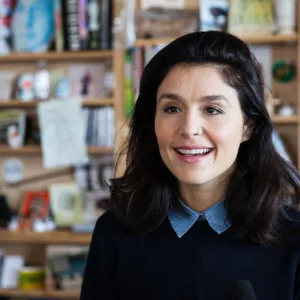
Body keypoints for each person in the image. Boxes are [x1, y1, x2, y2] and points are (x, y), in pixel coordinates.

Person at [80, 31, 300, 300]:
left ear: (248, 126)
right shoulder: (113, 233)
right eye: (172, 108)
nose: (189, 129)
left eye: (212, 110)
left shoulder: (294, 240)